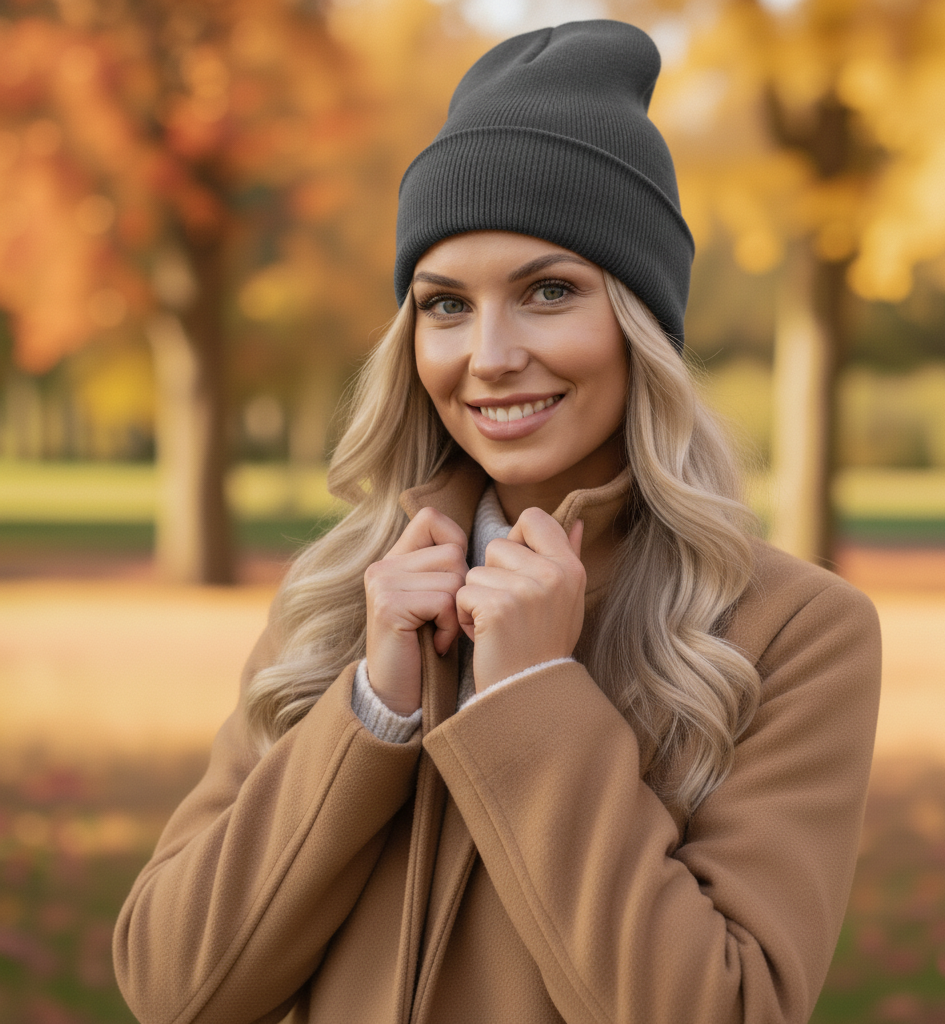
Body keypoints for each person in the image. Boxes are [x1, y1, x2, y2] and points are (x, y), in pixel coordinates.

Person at [114, 20, 881, 1024]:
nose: (489, 354)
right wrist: (374, 710)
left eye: (548, 292)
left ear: (641, 324)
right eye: (444, 305)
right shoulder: (348, 601)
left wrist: (532, 697)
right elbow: (171, 988)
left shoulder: (791, 632)